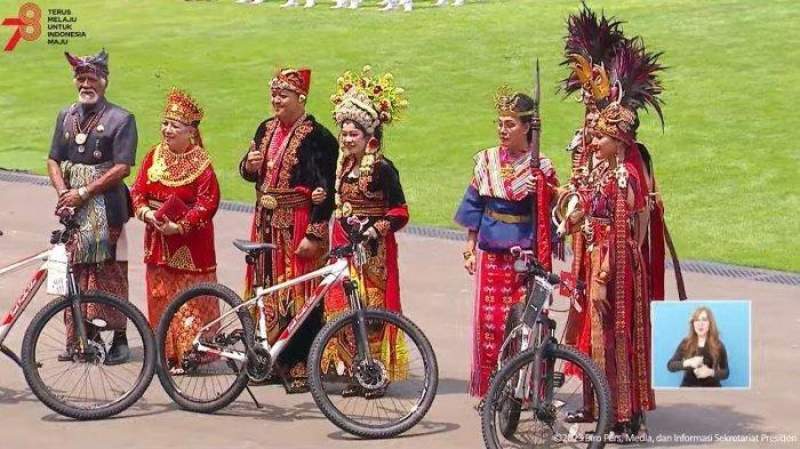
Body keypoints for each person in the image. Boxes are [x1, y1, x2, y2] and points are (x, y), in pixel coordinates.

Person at [556, 4, 669, 438]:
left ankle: (622, 411)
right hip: (592, 252)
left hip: (614, 260)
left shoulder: (627, 169)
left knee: (617, 334)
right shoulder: (594, 157)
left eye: (597, 124)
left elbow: (635, 219)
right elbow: (580, 195)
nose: (589, 124)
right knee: (590, 332)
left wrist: (607, 263)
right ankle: (595, 405)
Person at [454, 87, 559, 398]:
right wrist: (469, 247)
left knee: (527, 321)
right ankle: (491, 389)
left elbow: (548, 215)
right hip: (492, 257)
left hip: (526, 258)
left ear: (527, 127)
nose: (502, 130)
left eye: (510, 124)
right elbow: (474, 205)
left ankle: (524, 390)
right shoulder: (486, 161)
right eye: (500, 123)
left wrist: (543, 187)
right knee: (489, 325)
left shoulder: (542, 166)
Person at [239, 67, 339, 393]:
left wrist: (315, 233)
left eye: (283, 95)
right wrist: (248, 167)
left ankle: (299, 364)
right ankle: (269, 358)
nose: (276, 100)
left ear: (301, 97)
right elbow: (249, 170)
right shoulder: (265, 128)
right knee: (265, 289)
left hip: (296, 224)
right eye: (274, 94)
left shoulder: (319, 137)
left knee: (301, 292)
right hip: (264, 223)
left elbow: (328, 190)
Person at [318, 66, 410, 397]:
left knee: (369, 312)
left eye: (352, 134)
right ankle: (356, 370)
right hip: (343, 246)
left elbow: (400, 211)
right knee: (342, 307)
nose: (345, 139)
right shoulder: (344, 166)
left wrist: (374, 230)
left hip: (373, 254)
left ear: (368, 136)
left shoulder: (383, 169)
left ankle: (375, 373)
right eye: (343, 134)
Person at [47, 49, 137, 365]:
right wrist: (63, 192)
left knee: (108, 272)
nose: (86, 84)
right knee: (77, 271)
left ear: (104, 81)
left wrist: (83, 191)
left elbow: (123, 167)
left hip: (106, 208)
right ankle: (84, 339)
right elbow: (53, 159)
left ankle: (120, 339)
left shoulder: (121, 119)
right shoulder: (66, 116)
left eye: (92, 78)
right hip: (73, 210)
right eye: (81, 78)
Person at [130, 88, 221, 374]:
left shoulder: (202, 165)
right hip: (157, 238)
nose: (167, 130)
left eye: (174, 126)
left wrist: (179, 226)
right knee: (159, 294)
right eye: (165, 123)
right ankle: (163, 353)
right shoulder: (153, 156)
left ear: (190, 132)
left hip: (190, 244)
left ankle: (191, 354)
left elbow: (208, 203)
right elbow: (138, 191)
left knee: (189, 297)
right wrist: (146, 214)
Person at [667, 307, 729, 387]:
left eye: (704, 320)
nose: (700, 324)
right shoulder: (686, 343)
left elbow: (726, 372)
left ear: (710, 323)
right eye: (697, 320)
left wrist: (710, 372)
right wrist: (688, 362)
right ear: (693, 324)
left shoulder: (718, 345)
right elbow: (670, 366)